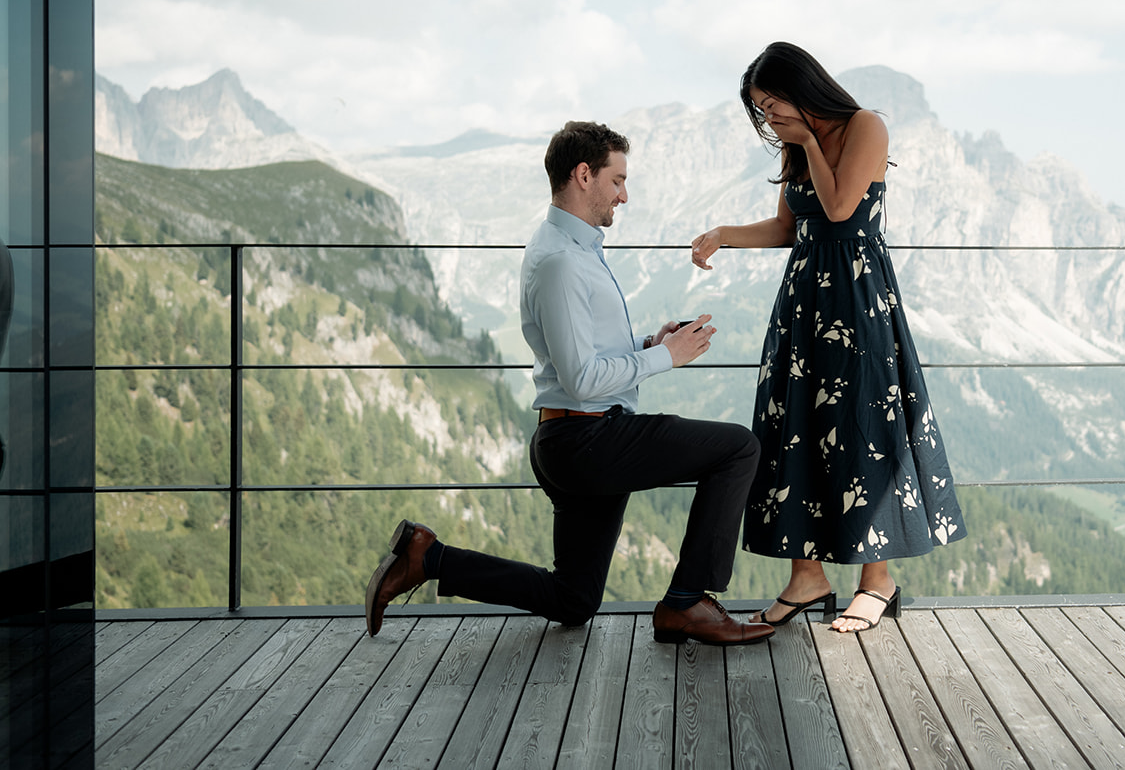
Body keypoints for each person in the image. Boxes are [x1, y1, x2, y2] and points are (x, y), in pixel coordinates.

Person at [365, 121, 775, 646]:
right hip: (586, 439)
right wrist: (665, 360)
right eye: (618, 180)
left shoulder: (573, 246)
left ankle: (428, 557)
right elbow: (581, 380)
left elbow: (587, 353)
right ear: (584, 175)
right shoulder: (561, 260)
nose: (625, 195)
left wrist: (649, 344)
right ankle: (687, 602)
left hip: (579, 438)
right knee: (738, 449)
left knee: (574, 600)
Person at [691, 43, 965, 633]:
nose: (770, 119)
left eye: (772, 104)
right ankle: (806, 578)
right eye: (761, 111)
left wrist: (809, 142)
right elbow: (792, 228)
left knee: (866, 425)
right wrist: (724, 235)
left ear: (801, 87)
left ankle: (878, 581)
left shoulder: (865, 126)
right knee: (796, 427)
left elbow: (841, 209)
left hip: (859, 300)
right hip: (804, 302)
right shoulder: (794, 147)